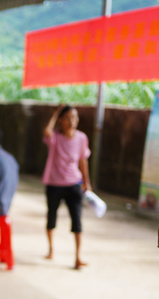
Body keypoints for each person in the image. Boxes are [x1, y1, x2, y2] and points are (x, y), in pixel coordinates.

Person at [42, 104, 92, 268]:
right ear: (61, 120)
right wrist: (55, 113)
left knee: (77, 221)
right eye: (69, 118)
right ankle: (51, 249)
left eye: (75, 117)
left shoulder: (81, 138)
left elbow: (83, 161)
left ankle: (78, 257)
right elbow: (46, 132)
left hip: (74, 185)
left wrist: (87, 183)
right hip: (54, 185)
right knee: (51, 218)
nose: (73, 121)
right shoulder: (55, 137)